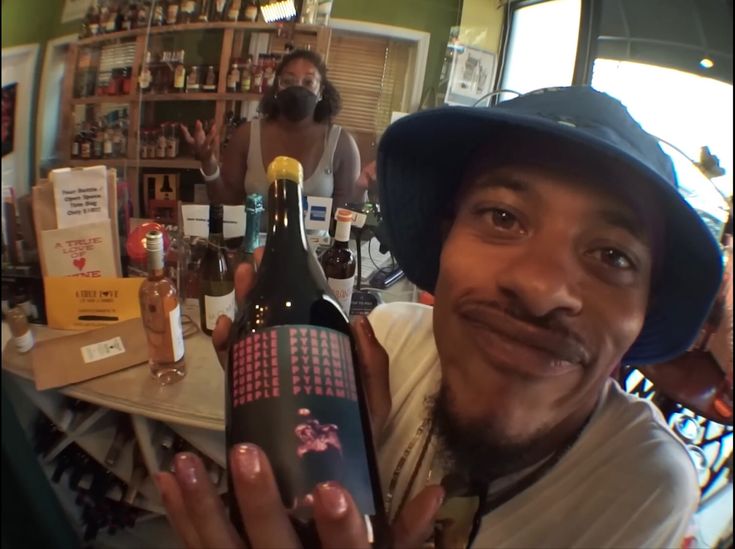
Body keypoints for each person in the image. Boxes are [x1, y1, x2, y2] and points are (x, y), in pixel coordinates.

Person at [155, 86, 724, 548]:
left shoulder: (642, 484)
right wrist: (343, 448)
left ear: (643, 311)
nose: (542, 288)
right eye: (503, 216)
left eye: (613, 256)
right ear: (445, 237)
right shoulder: (387, 341)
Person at [182, 49, 362, 209]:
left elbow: (345, 222)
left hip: (315, 248)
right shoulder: (246, 135)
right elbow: (227, 202)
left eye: (308, 82)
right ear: (277, 87)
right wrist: (209, 163)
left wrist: (363, 190)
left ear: (321, 91)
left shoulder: (341, 144)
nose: (297, 88)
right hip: (254, 246)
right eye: (289, 80)